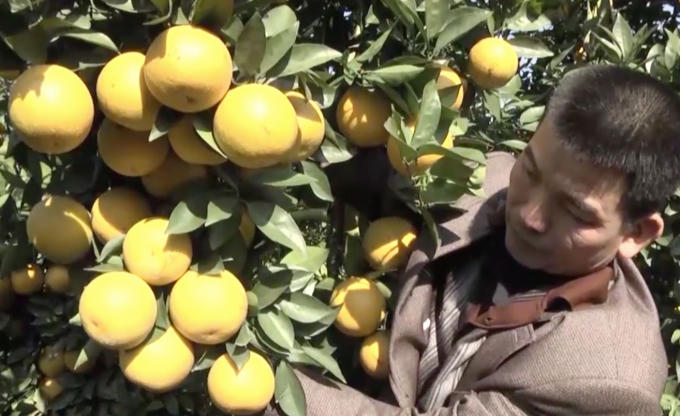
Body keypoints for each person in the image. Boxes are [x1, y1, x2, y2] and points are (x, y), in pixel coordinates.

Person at [267, 64, 680, 415]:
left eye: (575, 212)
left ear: (636, 233)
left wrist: (268, 384)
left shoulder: (606, 382)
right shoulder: (486, 178)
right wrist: (272, 131)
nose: (529, 216)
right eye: (531, 171)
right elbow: (378, 178)